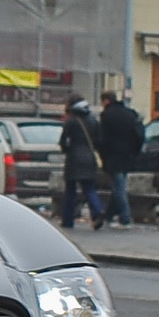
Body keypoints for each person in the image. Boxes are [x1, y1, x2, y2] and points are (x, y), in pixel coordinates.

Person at [97, 90, 143, 227]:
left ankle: (126, 218)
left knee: (119, 188)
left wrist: (103, 155)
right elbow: (139, 136)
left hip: (113, 156)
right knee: (118, 185)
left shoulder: (107, 115)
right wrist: (134, 152)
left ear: (106, 101)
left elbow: (103, 139)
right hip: (128, 156)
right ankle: (109, 216)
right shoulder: (130, 114)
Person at [59, 96, 106, 230]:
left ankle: (68, 220)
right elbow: (99, 141)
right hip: (90, 158)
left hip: (74, 159)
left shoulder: (71, 122)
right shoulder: (93, 120)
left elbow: (63, 142)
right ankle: (97, 211)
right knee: (89, 188)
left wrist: (67, 150)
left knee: (70, 191)